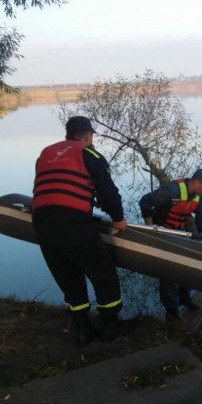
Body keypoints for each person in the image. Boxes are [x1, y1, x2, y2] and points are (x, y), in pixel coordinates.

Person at [32, 115, 137, 345]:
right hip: (73, 223)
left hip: (41, 222)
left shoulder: (46, 154)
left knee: (68, 275)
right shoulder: (90, 154)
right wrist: (118, 218)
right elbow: (108, 193)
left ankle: (82, 328)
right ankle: (111, 324)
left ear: (68, 135)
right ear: (89, 136)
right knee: (103, 272)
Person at [139, 168, 202, 320]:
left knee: (191, 262)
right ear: (197, 182)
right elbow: (145, 202)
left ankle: (184, 296)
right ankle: (171, 311)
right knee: (168, 270)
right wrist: (150, 227)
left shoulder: (199, 195)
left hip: (183, 229)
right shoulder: (172, 190)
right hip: (164, 231)